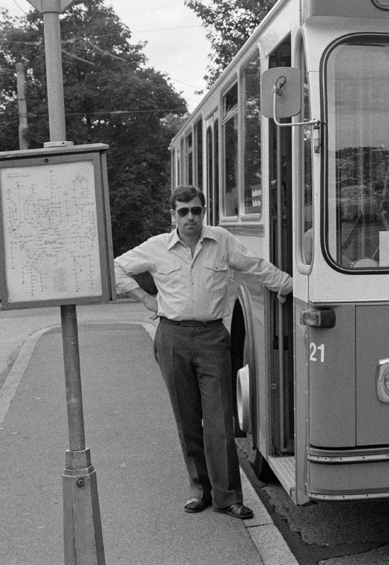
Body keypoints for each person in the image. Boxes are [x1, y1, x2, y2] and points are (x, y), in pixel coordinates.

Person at [113, 185, 292, 520]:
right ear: (173, 215)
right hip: (172, 338)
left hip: (212, 338)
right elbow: (116, 268)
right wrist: (145, 299)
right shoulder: (156, 248)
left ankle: (228, 497)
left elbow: (255, 265)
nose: (190, 217)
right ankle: (200, 488)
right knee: (186, 418)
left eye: (196, 210)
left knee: (220, 420)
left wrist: (288, 285)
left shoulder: (221, 241)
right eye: (183, 211)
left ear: (203, 211)